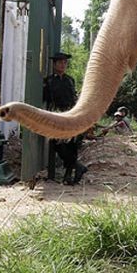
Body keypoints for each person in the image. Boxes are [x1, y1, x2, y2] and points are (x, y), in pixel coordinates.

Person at [44, 52, 87, 185]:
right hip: (56, 115)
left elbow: (74, 98)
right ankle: (78, 166)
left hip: (70, 115)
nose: (63, 65)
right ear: (55, 64)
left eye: (65, 63)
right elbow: (45, 99)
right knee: (56, 144)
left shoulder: (70, 80)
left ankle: (68, 175)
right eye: (60, 62)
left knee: (72, 145)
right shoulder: (48, 81)